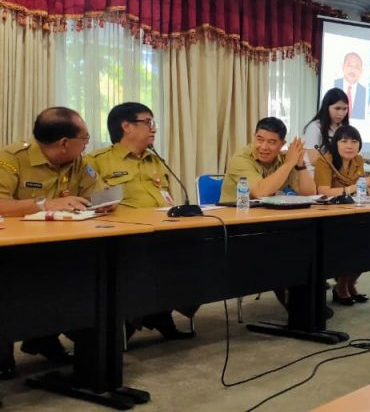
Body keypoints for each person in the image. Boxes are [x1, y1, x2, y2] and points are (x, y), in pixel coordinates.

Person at [0, 107, 102, 378]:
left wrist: (104, 204)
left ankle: (45, 336)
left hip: (64, 244)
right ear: (64, 142)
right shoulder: (11, 159)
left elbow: (98, 193)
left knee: (90, 277)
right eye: (85, 138)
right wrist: (44, 204)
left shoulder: (79, 162)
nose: (87, 143)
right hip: (13, 249)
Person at [85, 102, 195, 340]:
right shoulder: (97, 160)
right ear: (127, 126)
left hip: (162, 230)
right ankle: (141, 317)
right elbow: (94, 204)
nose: (153, 128)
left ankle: (158, 313)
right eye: (148, 122)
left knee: (196, 258)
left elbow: (167, 197)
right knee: (147, 263)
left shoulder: (155, 160)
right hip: (123, 236)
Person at [314, 125, 370, 305]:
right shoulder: (325, 161)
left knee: (369, 241)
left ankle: (349, 283)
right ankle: (341, 286)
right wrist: (352, 188)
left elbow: (360, 190)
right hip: (329, 215)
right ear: (336, 143)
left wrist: (368, 187)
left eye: (354, 141)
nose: (349, 145)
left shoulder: (358, 160)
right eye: (344, 141)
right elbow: (322, 191)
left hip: (352, 211)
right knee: (351, 243)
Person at [220, 117, 316, 203]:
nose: (264, 147)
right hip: (235, 214)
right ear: (254, 137)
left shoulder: (284, 159)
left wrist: (300, 164)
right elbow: (260, 192)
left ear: (282, 144)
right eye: (260, 140)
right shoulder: (240, 159)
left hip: (266, 214)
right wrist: (289, 163)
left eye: (271, 142)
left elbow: (309, 194)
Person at [303, 88, 350, 174]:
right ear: (326, 107)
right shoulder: (315, 127)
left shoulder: (344, 128)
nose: (341, 113)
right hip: (314, 175)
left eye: (345, 109)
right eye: (337, 108)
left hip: (335, 175)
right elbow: (314, 160)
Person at [335, 52, 366, 120]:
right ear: (343, 66)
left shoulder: (365, 92)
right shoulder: (334, 85)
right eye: (349, 65)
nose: (352, 69)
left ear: (361, 71)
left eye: (357, 67)